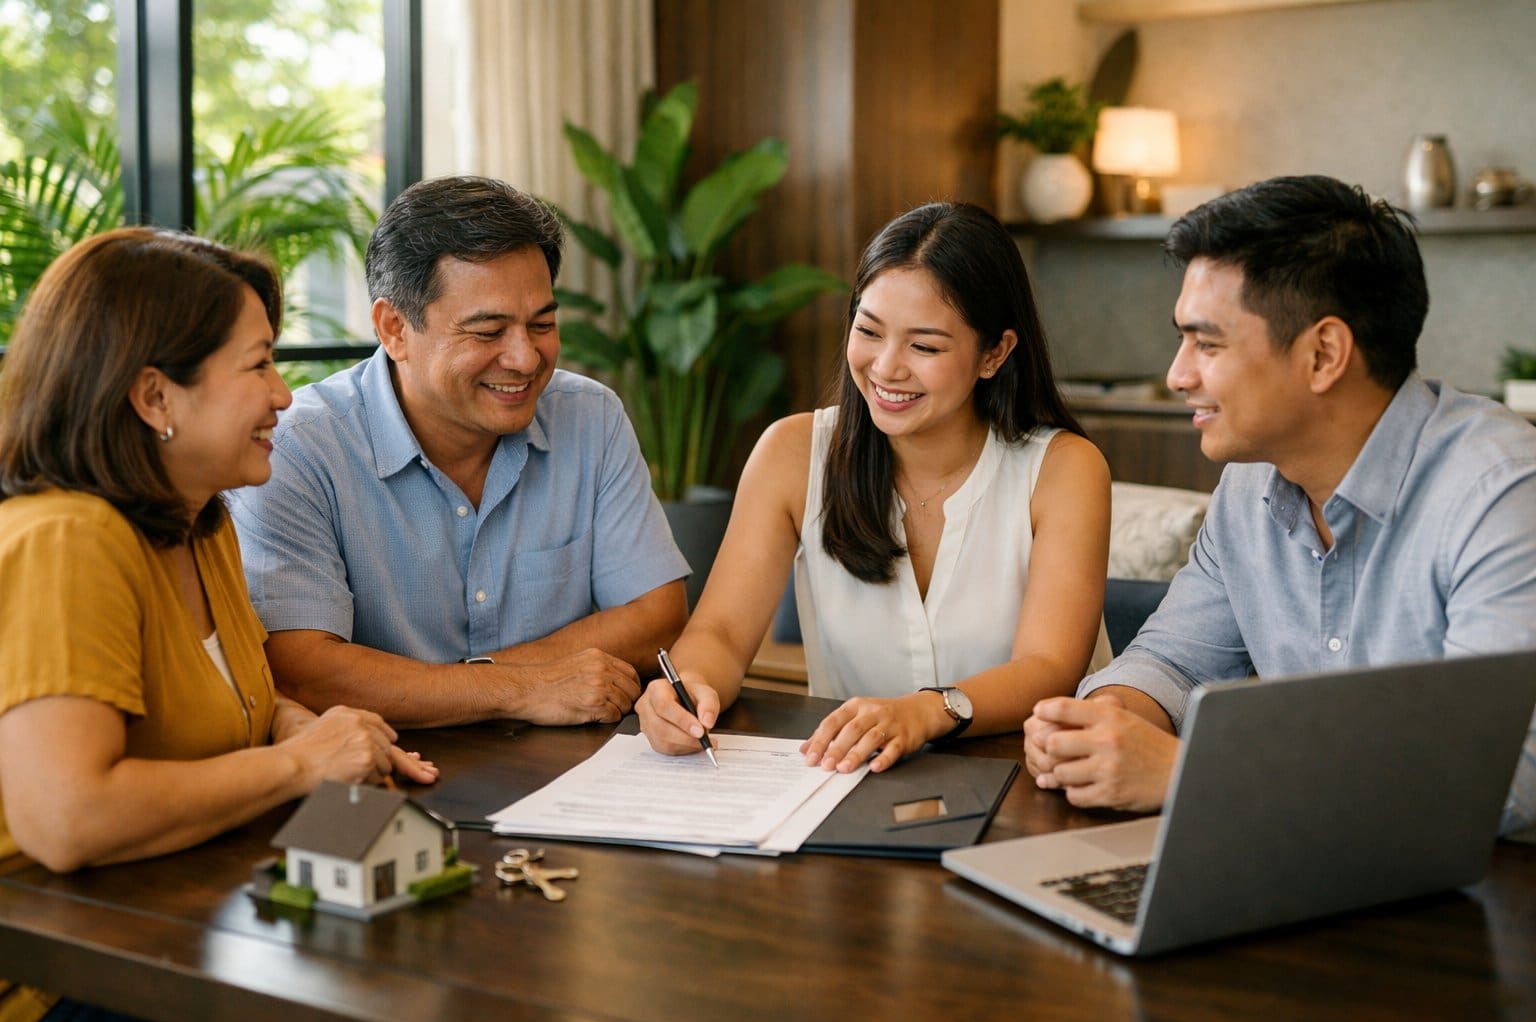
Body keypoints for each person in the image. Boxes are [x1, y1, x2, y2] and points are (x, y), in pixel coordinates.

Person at [0, 228, 438, 1022]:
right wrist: (305, 765)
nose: (283, 395)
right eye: (259, 363)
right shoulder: (67, 540)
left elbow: (233, 697)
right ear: (155, 397)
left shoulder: (202, 524)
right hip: (60, 978)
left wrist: (302, 723)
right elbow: (67, 820)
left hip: (170, 928)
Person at [1024, 175, 1536, 836]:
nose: (1179, 374)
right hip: (1306, 866)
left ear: (1324, 354)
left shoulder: (1501, 493)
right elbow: (1174, 660)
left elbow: (1502, 775)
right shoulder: (1250, 484)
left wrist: (1187, 773)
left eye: (1207, 344)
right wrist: (1105, 721)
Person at [637, 202, 1112, 773]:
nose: (886, 368)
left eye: (925, 346)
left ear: (995, 353)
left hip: (1027, 779)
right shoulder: (792, 454)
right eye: (868, 331)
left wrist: (926, 711)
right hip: (848, 784)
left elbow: (1049, 665)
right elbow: (720, 633)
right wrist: (686, 689)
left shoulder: (1064, 469)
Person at [227, 176, 690, 729]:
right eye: (488, 331)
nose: (524, 358)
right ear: (394, 329)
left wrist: (462, 683)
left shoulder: (589, 417)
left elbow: (656, 614)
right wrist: (520, 687)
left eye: (542, 324)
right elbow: (303, 670)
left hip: (560, 765)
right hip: (385, 776)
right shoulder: (298, 449)